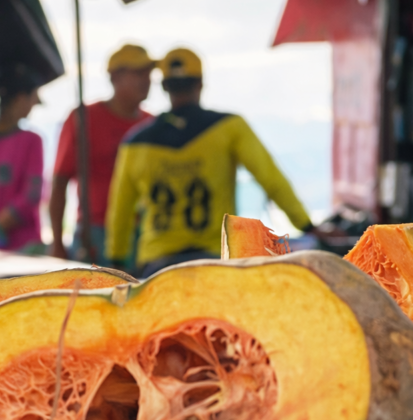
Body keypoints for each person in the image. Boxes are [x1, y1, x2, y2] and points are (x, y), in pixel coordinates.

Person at [105, 48, 317, 276]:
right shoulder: (229, 127)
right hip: (216, 261)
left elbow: (120, 212)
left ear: (164, 87)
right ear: (200, 84)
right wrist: (307, 227)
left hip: (158, 267)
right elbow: (271, 179)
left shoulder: (136, 143)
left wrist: (116, 261)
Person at [49, 44, 154, 262]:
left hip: (144, 232)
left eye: (149, 73)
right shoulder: (83, 118)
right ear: (115, 77)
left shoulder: (151, 124)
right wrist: (57, 244)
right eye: (138, 73)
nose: (146, 79)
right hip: (95, 234)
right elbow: (59, 182)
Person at [0, 66, 45, 252]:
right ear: (20, 99)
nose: (33, 106)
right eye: (32, 99)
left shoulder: (31, 140)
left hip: (24, 246)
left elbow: (31, 195)